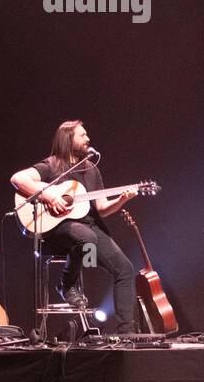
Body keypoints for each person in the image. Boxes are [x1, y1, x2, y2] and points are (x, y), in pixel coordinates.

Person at [10, 120, 140, 334]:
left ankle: (127, 332)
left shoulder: (91, 170)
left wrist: (121, 200)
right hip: (57, 231)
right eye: (83, 135)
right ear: (68, 140)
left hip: (90, 229)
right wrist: (48, 194)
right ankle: (67, 284)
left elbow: (101, 208)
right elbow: (18, 179)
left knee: (125, 269)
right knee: (86, 237)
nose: (88, 138)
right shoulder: (52, 166)